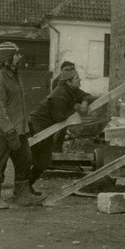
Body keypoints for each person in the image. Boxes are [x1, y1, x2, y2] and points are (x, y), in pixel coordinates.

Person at [0, 41, 44, 209]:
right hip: (3, 131)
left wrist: (22, 128)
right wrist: (9, 131)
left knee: (25, 160)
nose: (20, 57)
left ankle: (21, 194)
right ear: (7, 59)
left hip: (18, 129)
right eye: (16, 54)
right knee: (0, 161)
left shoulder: (15, 76)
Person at [27, 65, 94, 195]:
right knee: (35, 157)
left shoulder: (73, 90)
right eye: (77, 78)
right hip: (38, 123)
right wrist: (76, 106)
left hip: (49, 126)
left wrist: (84, 103)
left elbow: (87, 95)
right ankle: (21, 188)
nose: (80, 80)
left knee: (45, 160)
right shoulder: (60, 93)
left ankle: (28, 185)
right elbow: (60, 117)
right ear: (68, 81)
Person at [50, 61, 75, 153]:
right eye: (68, 69)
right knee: (58, 132)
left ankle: (58, 151)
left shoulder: (70, 81)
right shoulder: (57, 81)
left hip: (65, 110)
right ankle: (54, 153)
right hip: (59, 110)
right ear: (62, 70)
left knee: (62, 133)